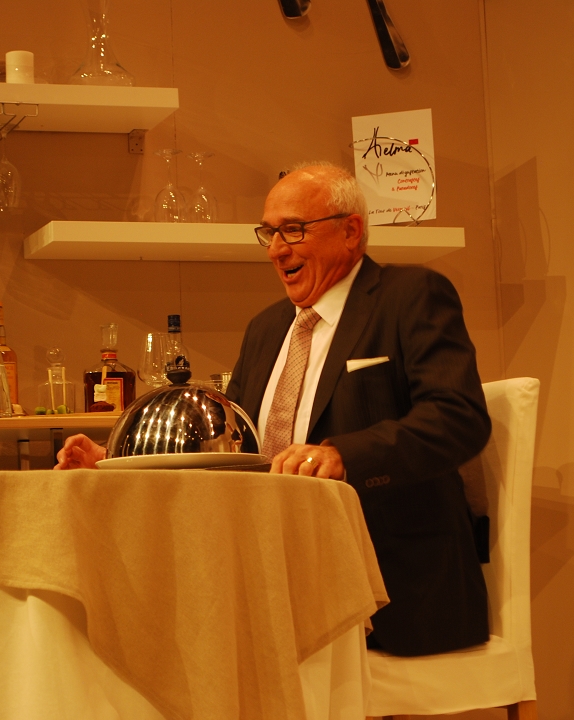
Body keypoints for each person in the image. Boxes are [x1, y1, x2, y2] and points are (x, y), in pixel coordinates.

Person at [57, 162, 491, 657]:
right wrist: (120, 462)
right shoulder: (266, 328)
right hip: (267, 572)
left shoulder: (410, 296)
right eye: (269, 232)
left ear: (351, 231)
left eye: (294, 230)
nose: (276, 249)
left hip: (387, 580)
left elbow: (459, 417)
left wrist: (343, 455)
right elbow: (229, 446)